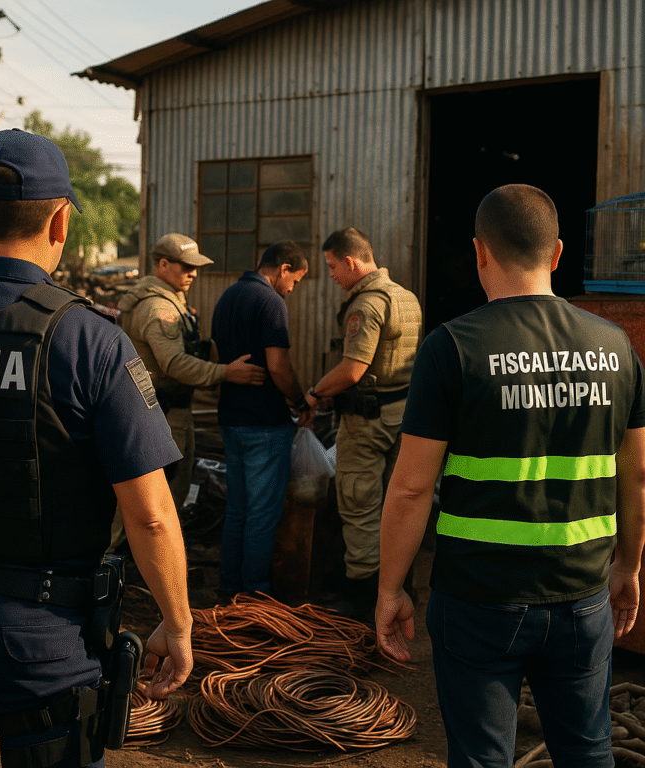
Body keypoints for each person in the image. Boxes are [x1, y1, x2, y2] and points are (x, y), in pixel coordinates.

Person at [0, 128, 193, 768]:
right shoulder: (89, 342)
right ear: (61, 219)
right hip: (45, 635)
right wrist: (178, 623)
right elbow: (151, 514)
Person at [377, 184, 645, 768]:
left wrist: (390, 588)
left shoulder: (453, 348)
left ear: (479, 253)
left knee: (481, 757)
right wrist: (628, 564)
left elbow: (411, 487)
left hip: (478, 599)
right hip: (582, 597)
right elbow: (639, 474)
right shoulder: (616, 347)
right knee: (588, 751)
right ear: (557, 255)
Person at [304, 227, 421, 620]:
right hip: (401, 415)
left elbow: (353, 369)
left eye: (333, 266)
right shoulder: (406, 298)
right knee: (397, 503)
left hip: (367, 422)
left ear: (352, 262)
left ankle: (362, 598)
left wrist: (315, 392)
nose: (332, 275)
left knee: (358, 504)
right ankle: (402, 588)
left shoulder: (366, 305)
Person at [118, 233, 265, 510]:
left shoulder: (172, 300)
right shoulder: (159, 307)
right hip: (162, 414)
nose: (194, 274)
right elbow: (173, 363)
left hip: (167, 413)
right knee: (160, 502)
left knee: (166, 496)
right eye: (187, 267)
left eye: (196, 267)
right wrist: (224, 372)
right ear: (163, 265)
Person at [211, 241, 312, 597]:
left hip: (231, 420)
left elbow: (215, 353)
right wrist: (300, 401)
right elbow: (278, 367)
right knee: (262, 516)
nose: (292, 288)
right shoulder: (271, 302)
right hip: (264, 426)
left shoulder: (227, 298)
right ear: (283, 269)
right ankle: (254, 597)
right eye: (295, 281)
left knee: (237, 511)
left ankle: (228, 591)